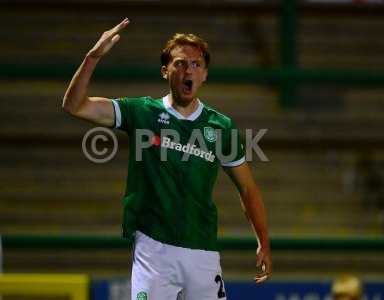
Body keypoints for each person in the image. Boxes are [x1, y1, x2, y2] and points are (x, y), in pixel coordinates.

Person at [62, 18, 272, 300]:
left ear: (205, 74)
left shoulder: (220, 127)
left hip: (203, 250)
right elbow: (75, 105)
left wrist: (263, 241)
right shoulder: (142, 112)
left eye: (196, 64)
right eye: (180, 63)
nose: (189, 70)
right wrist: (92, 57)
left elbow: (247, 189)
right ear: (165, 71)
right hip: (154, 249)